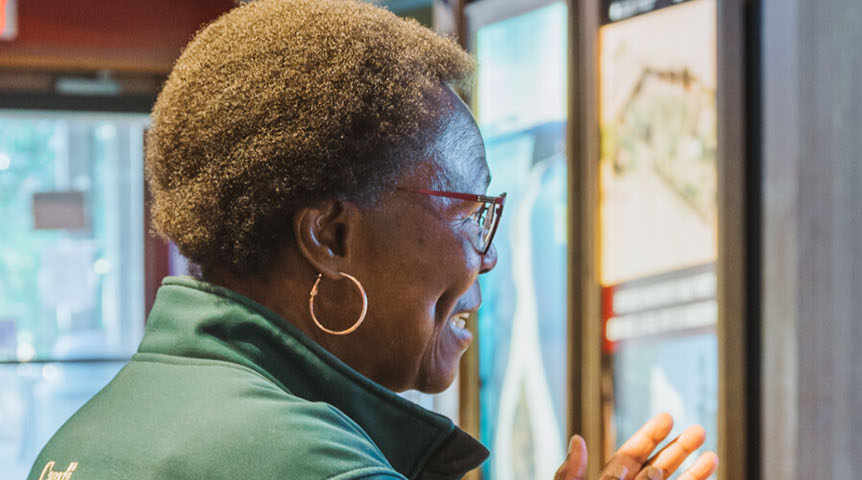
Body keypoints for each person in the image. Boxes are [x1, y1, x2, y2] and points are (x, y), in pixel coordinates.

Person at [29, 1, 716, 479]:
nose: (489, 253)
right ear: (331, 235)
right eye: (469, 211)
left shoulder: (84, 437)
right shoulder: (307, 464)